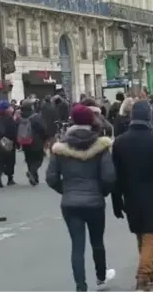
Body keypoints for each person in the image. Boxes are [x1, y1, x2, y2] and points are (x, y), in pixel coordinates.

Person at [46, 104, 117, 292]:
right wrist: (102, 191)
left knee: (77, 245)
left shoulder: (60, 148)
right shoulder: (101, 146)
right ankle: (101, 278)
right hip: (94, 201)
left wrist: (66, 190)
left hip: (70, 202)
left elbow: (51, 178)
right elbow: (109, 176)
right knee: (97, 241)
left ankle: (80, 286)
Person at [111, 100, 153, 291]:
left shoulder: (120, 142)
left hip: (130, 195)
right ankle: (143, 274)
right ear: (149, 117)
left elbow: (114, 176)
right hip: (151, 194)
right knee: (150, 235)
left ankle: (150, 272)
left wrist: (116, 202)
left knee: (141, 235)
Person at [17, 101, 48, 186]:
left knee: (29, 159)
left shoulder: (20, 117)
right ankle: (32, 172)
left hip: (25, 141)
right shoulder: (36, 117)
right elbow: (43, 129)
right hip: (36, 141)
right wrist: (45, 138)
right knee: (39, 159)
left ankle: (34, 178)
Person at [0, 101, 17, 187]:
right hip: (9, 142)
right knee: (10, 161)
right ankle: (10, 178)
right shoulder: (10, 118)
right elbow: (13, 131)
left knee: (0, 160)